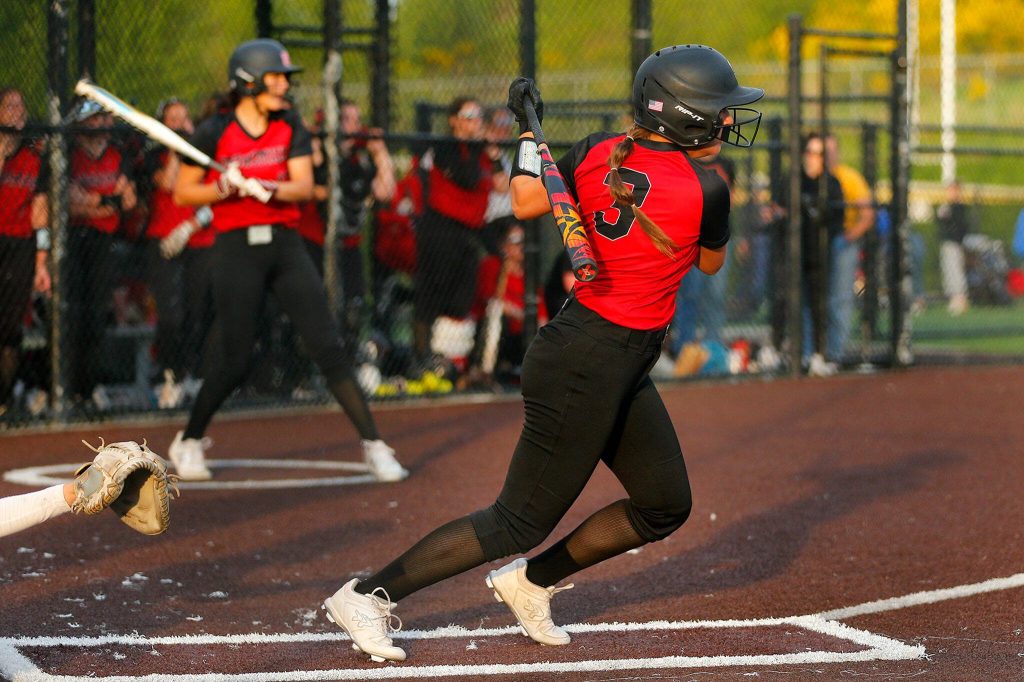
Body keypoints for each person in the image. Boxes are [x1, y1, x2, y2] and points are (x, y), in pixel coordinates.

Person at [320, 44, 763, 663]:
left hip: (612, 357)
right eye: (716, 112)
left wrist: (529, 144)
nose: (725, 123)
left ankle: (529, 582)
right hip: (587, 359)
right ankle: (366, 595)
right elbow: (710, 263)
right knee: (516, 520)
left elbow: (528, 201)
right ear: (682, 117)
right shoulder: (707, 188)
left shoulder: (591, 150)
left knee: (664, 503)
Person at [168, 38, 406, 484]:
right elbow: (184, 191)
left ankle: (375, 446)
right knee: (236, 357)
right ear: (249, 81)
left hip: (285, 245)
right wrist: (226, 187)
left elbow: (301, 186)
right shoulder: (214, 131)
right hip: (236, 248)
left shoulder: (289, 124)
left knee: (329, 347)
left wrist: (262, 184)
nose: (284, 84)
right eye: (276, 77)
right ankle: (190, 439)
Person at [410, 97, 508, 379]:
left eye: (477, 117)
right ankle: (422, 358)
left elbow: (501, 185)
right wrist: (482, 147)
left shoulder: (483, 152)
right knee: (431, 296)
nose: (474, 122)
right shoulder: (445, 147)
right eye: (467, 116)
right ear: (453, 120)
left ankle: (453, 362)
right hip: (440, 229)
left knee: (462, 300)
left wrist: (492, 154)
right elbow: (466, 178)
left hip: (469, 231)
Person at [142, 98, 214, 408]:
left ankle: (191, 375)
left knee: (197, 313)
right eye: (173, 120)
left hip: (198, 239)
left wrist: (191, 227)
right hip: (165, 240)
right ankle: (168, 374)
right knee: (171, 315)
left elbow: (215, 198)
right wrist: (174, 147)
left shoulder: (202, 156)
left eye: (185, 119)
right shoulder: (153, 156)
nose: (181, 125)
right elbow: (169, 183)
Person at [66, 100, 138, 409]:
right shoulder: (69, 154)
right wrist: (109, 200)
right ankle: (67, 387)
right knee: (72, 312)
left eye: (103, 119)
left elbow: (130, 201)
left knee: (97, 313)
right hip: (72, 239)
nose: (101, 125)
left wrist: (97, 200)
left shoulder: (116, 155)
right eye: (94, 120)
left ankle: (91, 386)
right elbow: (69, 203)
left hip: (103, 240)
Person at [0, 87, 50, 419]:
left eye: (21, 106)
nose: (18, 111)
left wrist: (41, 263)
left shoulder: (34, 156)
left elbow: (40, 211)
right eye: (9, 106)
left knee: (11, 326)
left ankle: (3, 399)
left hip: (20, 245)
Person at [463, 222, 547, 387]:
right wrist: (521, 315)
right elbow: (492, 301)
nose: (521, 246)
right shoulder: (493, 265)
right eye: (515, 241)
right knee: (497, 314)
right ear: (503, 245)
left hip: (521, 336)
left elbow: (542, 316)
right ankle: (485, 371)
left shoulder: (529, 275)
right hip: (490, 332)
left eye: (524, 241)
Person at [792, 132, 844, 376]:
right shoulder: (793, 181)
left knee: (819, 306)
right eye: (810, 152)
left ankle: (819, 355)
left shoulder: (831, 184)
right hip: (793, 255)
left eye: (819, 154)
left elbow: (837, 222)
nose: (813, 159)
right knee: (790, 303)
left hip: (819, 257)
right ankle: (791, 354)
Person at [823, 134, 875, 363]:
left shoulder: (849, 177)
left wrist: (848, 236)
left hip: (842, 243)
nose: (828, 155)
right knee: (818, 298)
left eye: (832, 150)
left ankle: (837, 351)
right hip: (818, 243)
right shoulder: (814, 177)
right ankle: (818, 350)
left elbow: (867, 215)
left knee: (840, 298)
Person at [935, 180, 973, 315]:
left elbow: (959, 226)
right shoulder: (948, 206)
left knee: (955, 271)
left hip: (954, 243)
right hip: (947, 243)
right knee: (948, 270)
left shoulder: (958, 207)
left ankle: (959, 300)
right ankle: (954, 298)